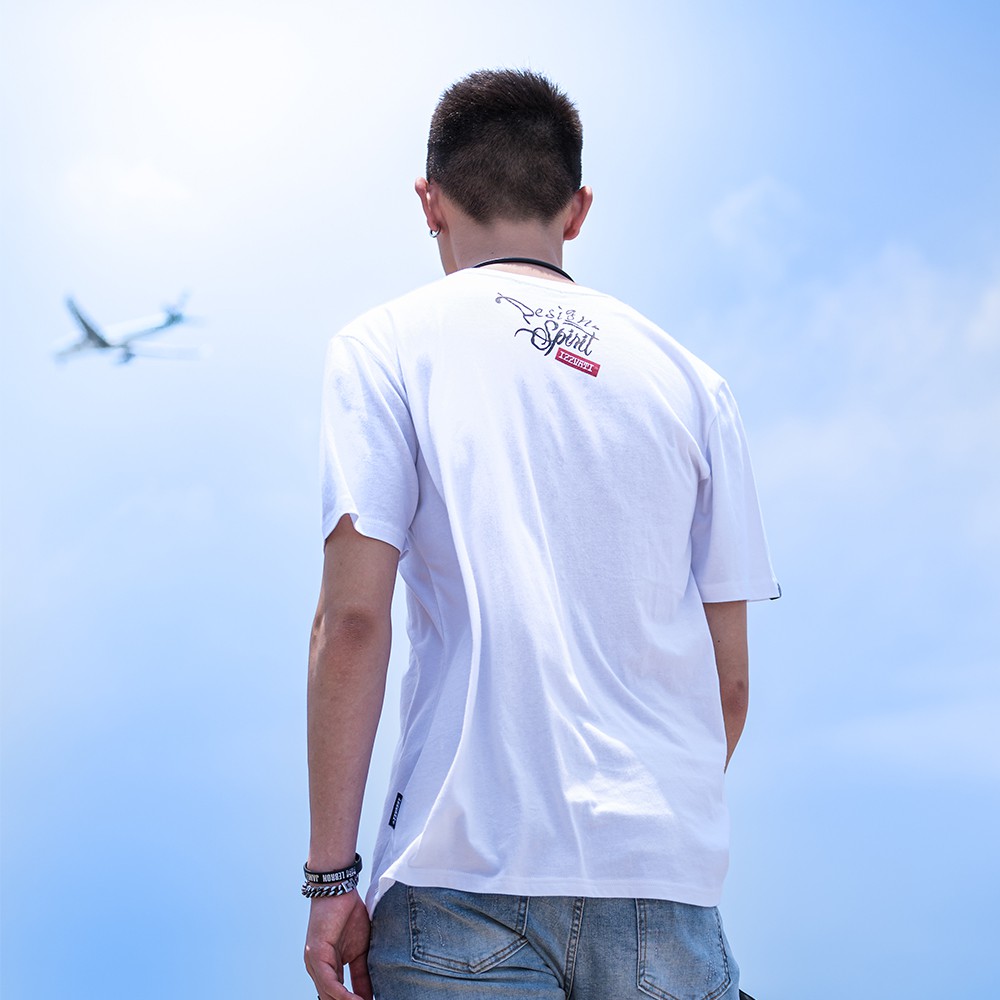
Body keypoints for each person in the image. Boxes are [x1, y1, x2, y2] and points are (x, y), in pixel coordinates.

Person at [303, 69, 779, 1000]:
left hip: (458, 886)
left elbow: (352, 623)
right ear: (579, 209)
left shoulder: (384, 346)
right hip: (663, 898)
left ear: (429, 202)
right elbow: (728, 687)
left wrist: (331, 882)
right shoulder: (695, 385)